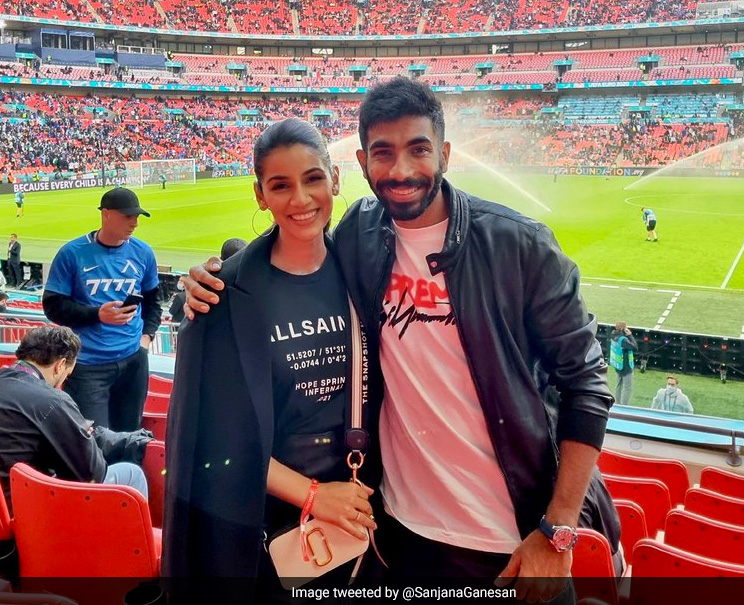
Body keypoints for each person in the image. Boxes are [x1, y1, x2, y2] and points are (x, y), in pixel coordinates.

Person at [182, 78, 621, 603]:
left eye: (418, 149)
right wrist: (214, 279)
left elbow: (586, 385)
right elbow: (293, 245)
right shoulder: (359, 234)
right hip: (400, 537)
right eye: (384, 153)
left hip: (509, 542)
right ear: (362, 163)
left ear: (445, 154)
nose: (402, 170)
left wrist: (559, 528)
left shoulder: (519, 245)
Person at [162, 119, 377, 600]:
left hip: (363, 505)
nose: (301, 199)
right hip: (268, 525)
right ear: (260, 195)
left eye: (313, 179)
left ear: (335, 180)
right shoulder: (223, 297)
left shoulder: (366, 274)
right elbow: (217, 442)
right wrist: (315, 496)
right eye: (280, 186)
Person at [42, 188, 161, 432]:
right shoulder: (72, 253)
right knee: (93, 438)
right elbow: (53, 306)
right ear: (106, 214)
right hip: (88, 366)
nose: (135, 223)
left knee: (130, 436)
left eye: (137, 217)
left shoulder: (143, 252)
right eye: (128, 216)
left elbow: (153, 301)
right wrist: (97, 315)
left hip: (133, 361)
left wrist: (146, 338)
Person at [0, 326, 149, 514]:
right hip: (23, 512)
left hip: (8, 505)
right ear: (60, 365)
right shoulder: (52, 400)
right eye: (67, 374)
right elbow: (92, 474)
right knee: (132, 474)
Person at [609, 321, 638, 405]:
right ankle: (624, 406)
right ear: (623, 329)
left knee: (618, 385)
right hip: (625, 366)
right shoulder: (623, 340)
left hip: (618, 364)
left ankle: (617, 403)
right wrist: (630, 335)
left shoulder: (613, 335)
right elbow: (635, 347)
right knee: (627, 387)